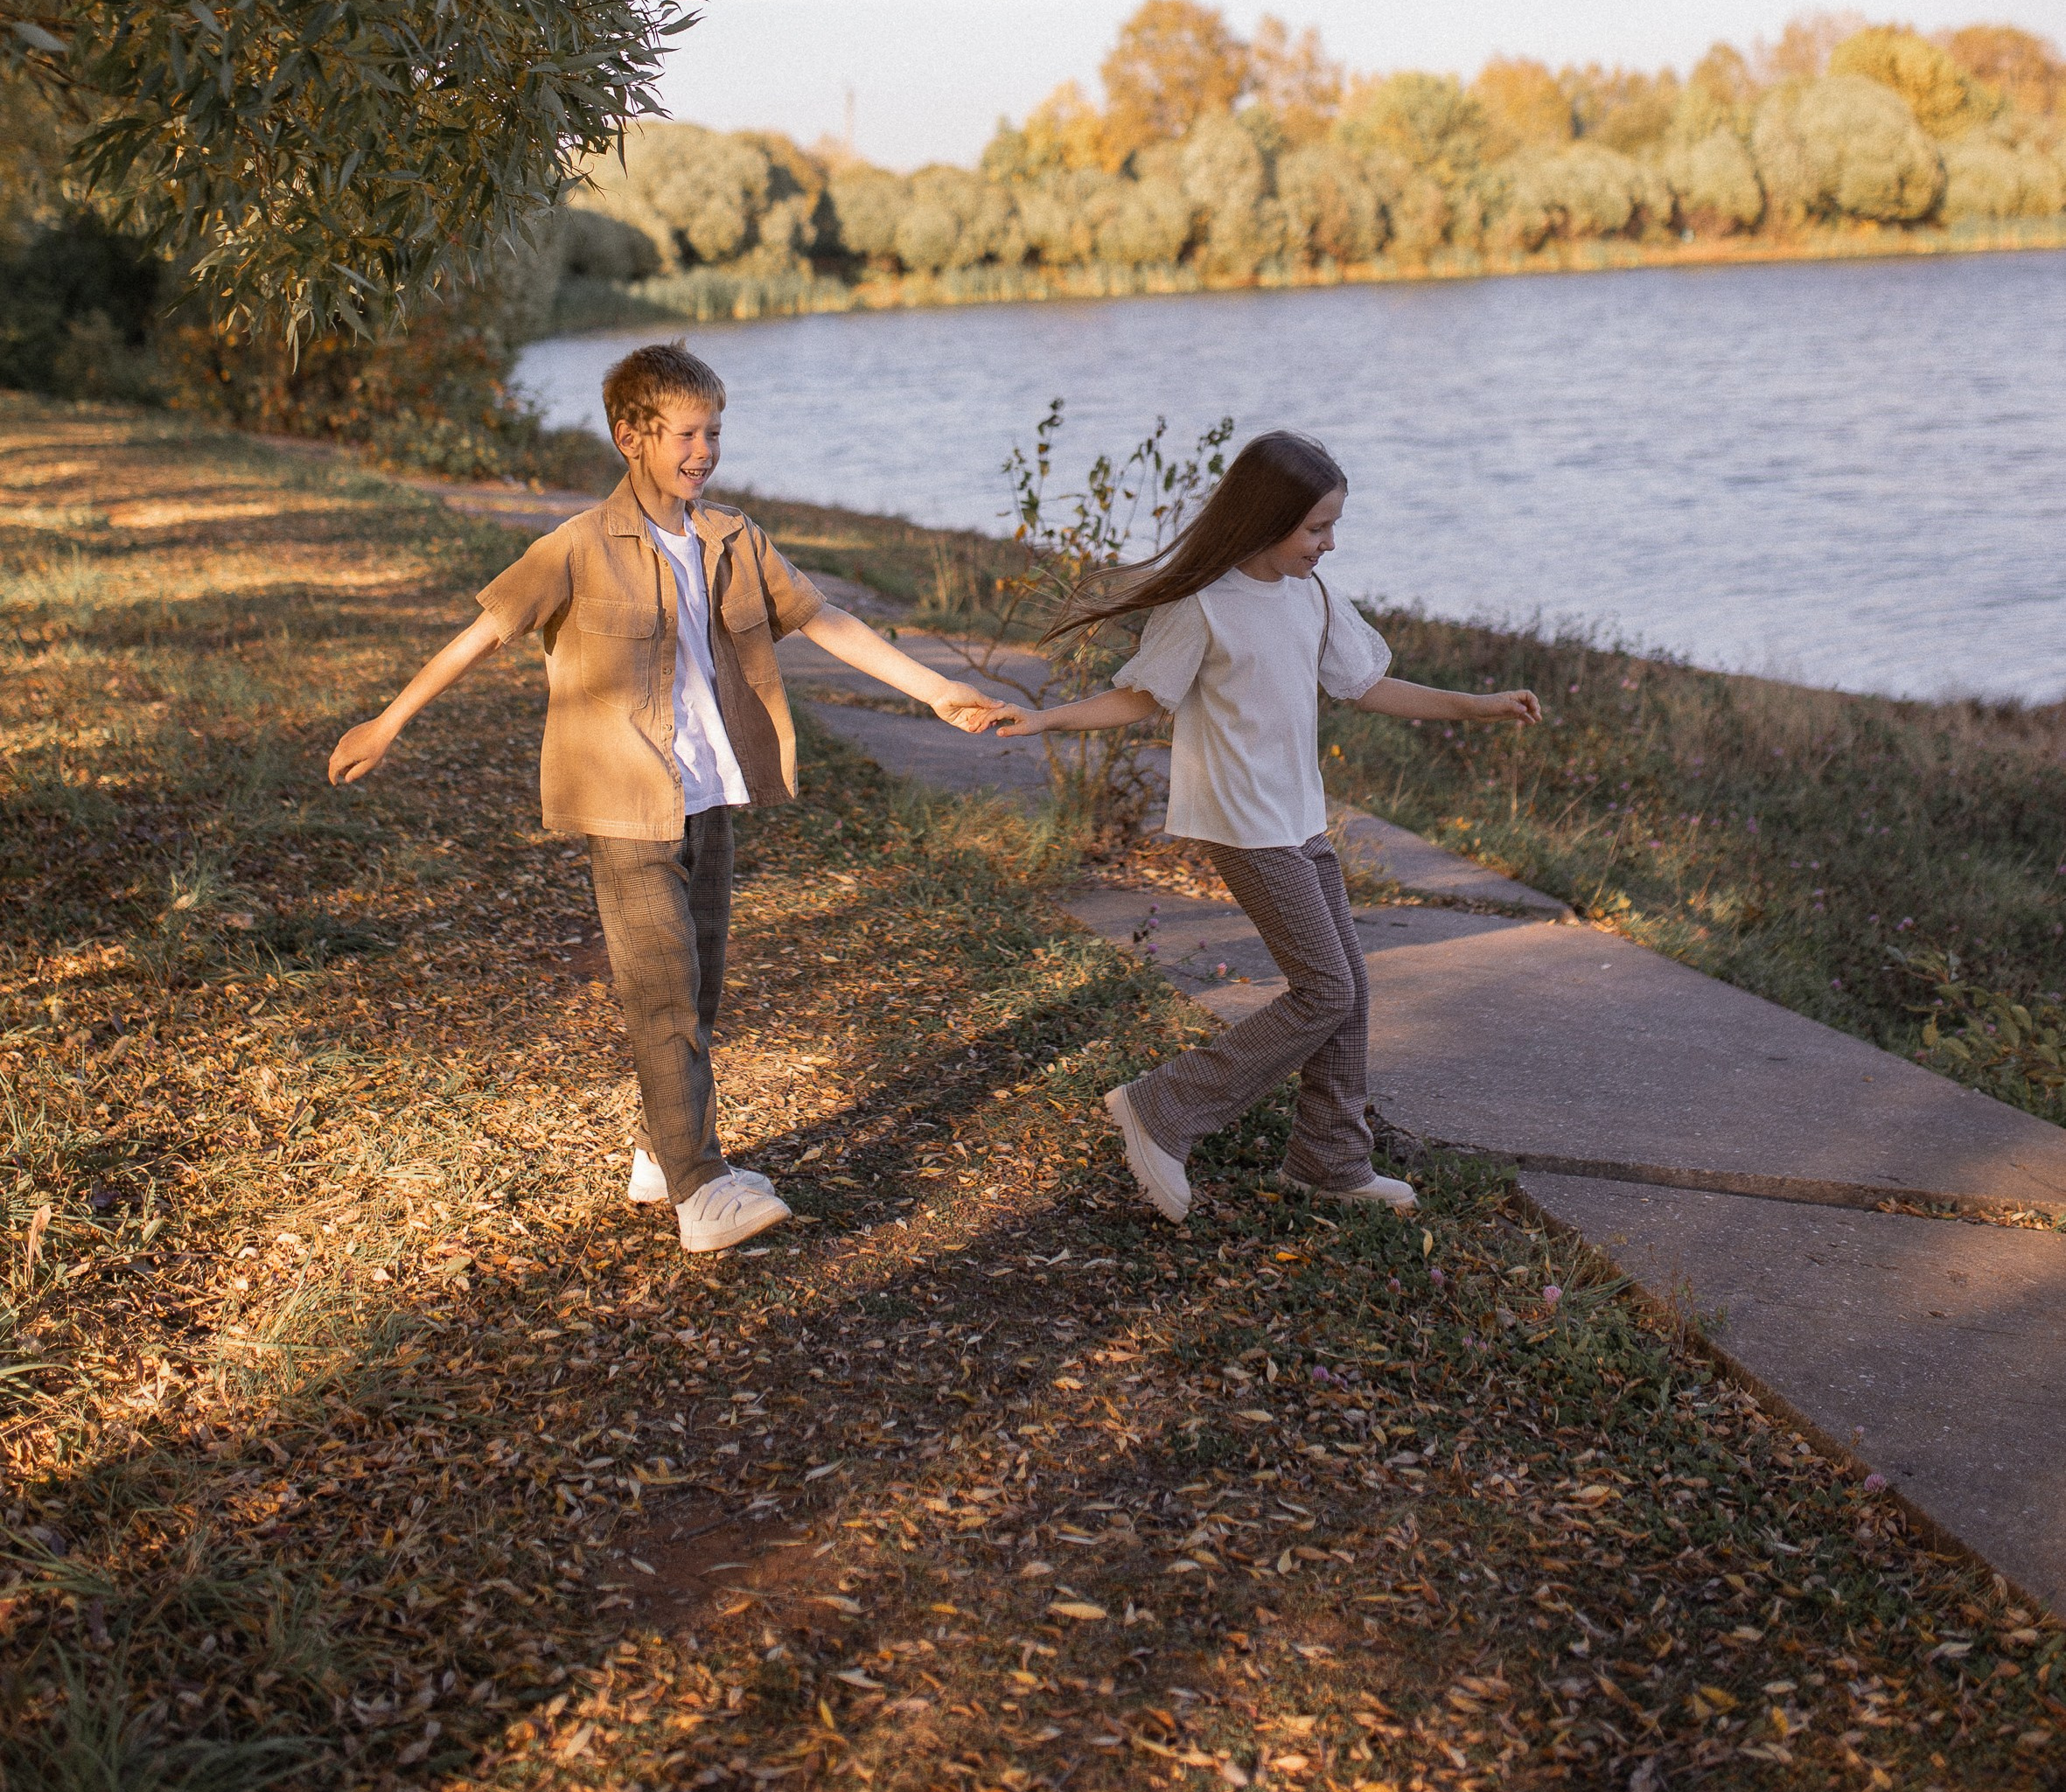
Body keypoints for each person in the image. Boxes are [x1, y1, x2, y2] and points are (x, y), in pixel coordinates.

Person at [328, 340, 1008, 1255]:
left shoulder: (733, 538)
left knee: (701, 987)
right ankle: (700, 1189)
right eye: (686, 433)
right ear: (630, 437)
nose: (704, 450)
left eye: (714, 432)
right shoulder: (574, 547)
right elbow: (482, 634)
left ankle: (659, 1152)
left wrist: (932, 690)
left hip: (710, 795)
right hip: (624, 806)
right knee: (663, 998)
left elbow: (823, 619)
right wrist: (387, 721)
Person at [992, 429, 1540, 1224]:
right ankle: (1162, 1107)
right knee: (1325, 988)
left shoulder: (1310, 596)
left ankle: (1330, 1159)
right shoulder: (1204, 604)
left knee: (1347, 991)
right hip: (1242, 824)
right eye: (1315, 527)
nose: (1328, 542)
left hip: (1299, 819)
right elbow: (1143, 698)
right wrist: (1044, 718)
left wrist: (1476, 704)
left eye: (1333, 525)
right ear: (1265, 518)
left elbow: (1369, 683)